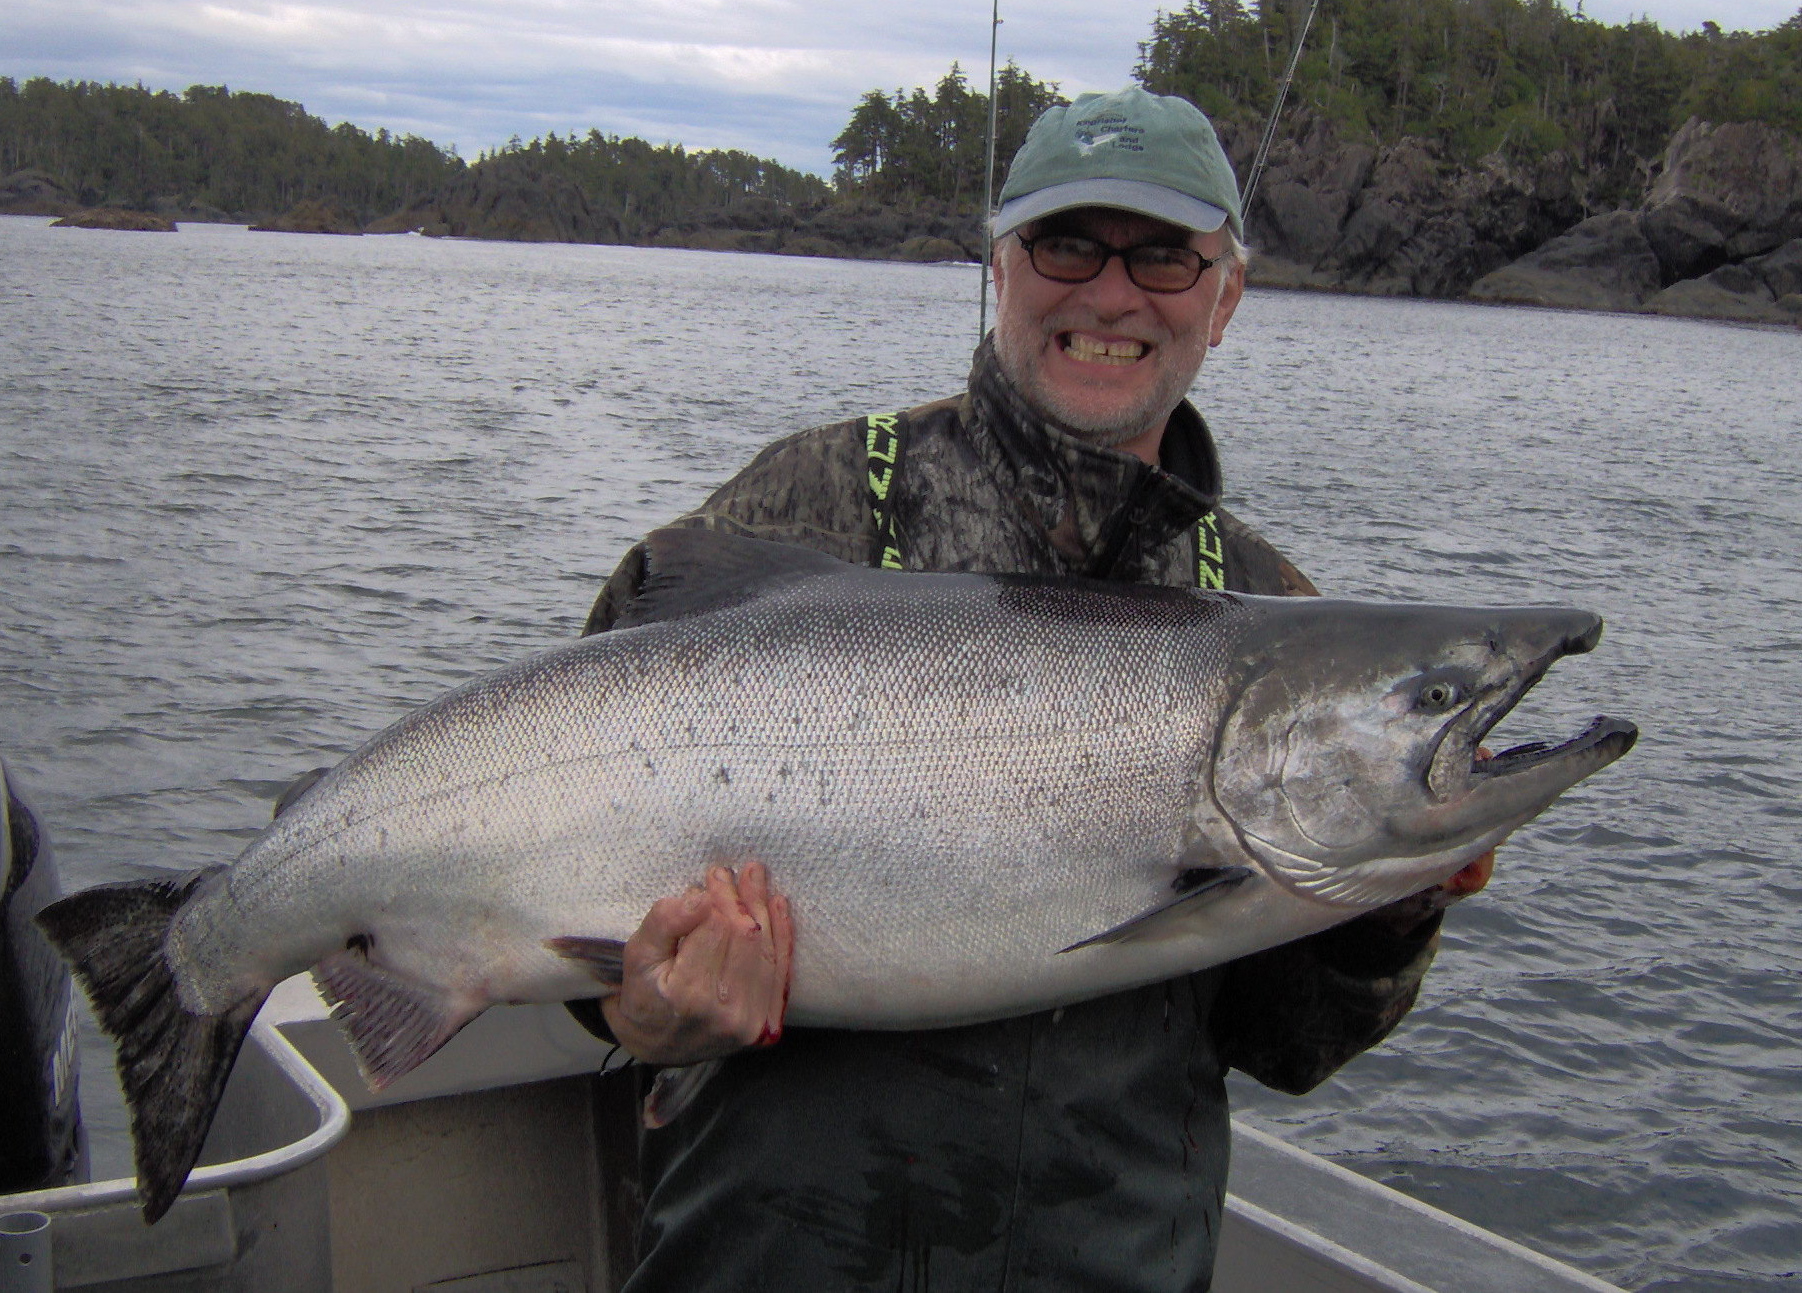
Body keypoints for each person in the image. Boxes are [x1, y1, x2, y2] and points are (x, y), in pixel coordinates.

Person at [570, 85, 1493, 1291]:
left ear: (1227, 297)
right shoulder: (816, 498)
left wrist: (1393, 900)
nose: (1111, 294)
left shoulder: (1280, 610)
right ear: (999, 266)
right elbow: (561, 847)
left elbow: (1290, 1043)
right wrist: (639, 1015)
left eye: (1165, 254)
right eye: (1067, 244)